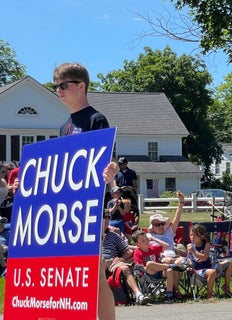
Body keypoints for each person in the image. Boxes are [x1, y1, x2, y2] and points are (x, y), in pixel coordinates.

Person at [54, 62, 120, 320]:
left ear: (81, 86)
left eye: (63, 85)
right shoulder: (64, 126)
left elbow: (107, 159)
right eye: (55, 86)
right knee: (68, 270)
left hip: (89, 209)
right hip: (65, 207)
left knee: (93, 271)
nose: (58, 90)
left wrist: (111, 170)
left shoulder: (95, 119)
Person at [101, 212, 149, 305]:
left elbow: (128, 251)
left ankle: (139, 295)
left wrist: (122, 259)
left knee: (126, 268)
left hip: (111, 261)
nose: (107, 220)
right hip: (95, 261)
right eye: (104, 217)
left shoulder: (113, 235)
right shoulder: (90, 235)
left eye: (108, 217)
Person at [132, 230, 187, 303]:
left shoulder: (152, 248)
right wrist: (155, 266)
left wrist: (154, 239)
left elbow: (167, 246)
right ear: (137, 244)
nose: (146, 241)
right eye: (143, 240)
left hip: (160, 271)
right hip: (149, 273)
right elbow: (142, 268)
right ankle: (171, 266)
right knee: (149, 264)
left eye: (146, 239)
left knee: (169, 270)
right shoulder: (137, 252)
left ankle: (169, 296)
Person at [186, 224, 232, 298]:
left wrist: (194, 252)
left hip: (209, 266)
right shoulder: (190, 246)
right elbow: (187, 259)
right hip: (198, 271)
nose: (192, 237)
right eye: (191, 235)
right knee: (212, 272)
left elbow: (204, 257)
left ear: (202, 236)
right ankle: (209, 294)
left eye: (195, 235)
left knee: (229, 263)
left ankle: (226, 286)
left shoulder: (206, 244)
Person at [147, 192, 186, 263]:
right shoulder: (149, 236)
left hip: (174, 257)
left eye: (162, 223)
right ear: (152, 227)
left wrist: (181, 202)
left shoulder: (169, 231)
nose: (161, 226)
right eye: (157, 224)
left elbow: (177, 216)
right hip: (160, 260)